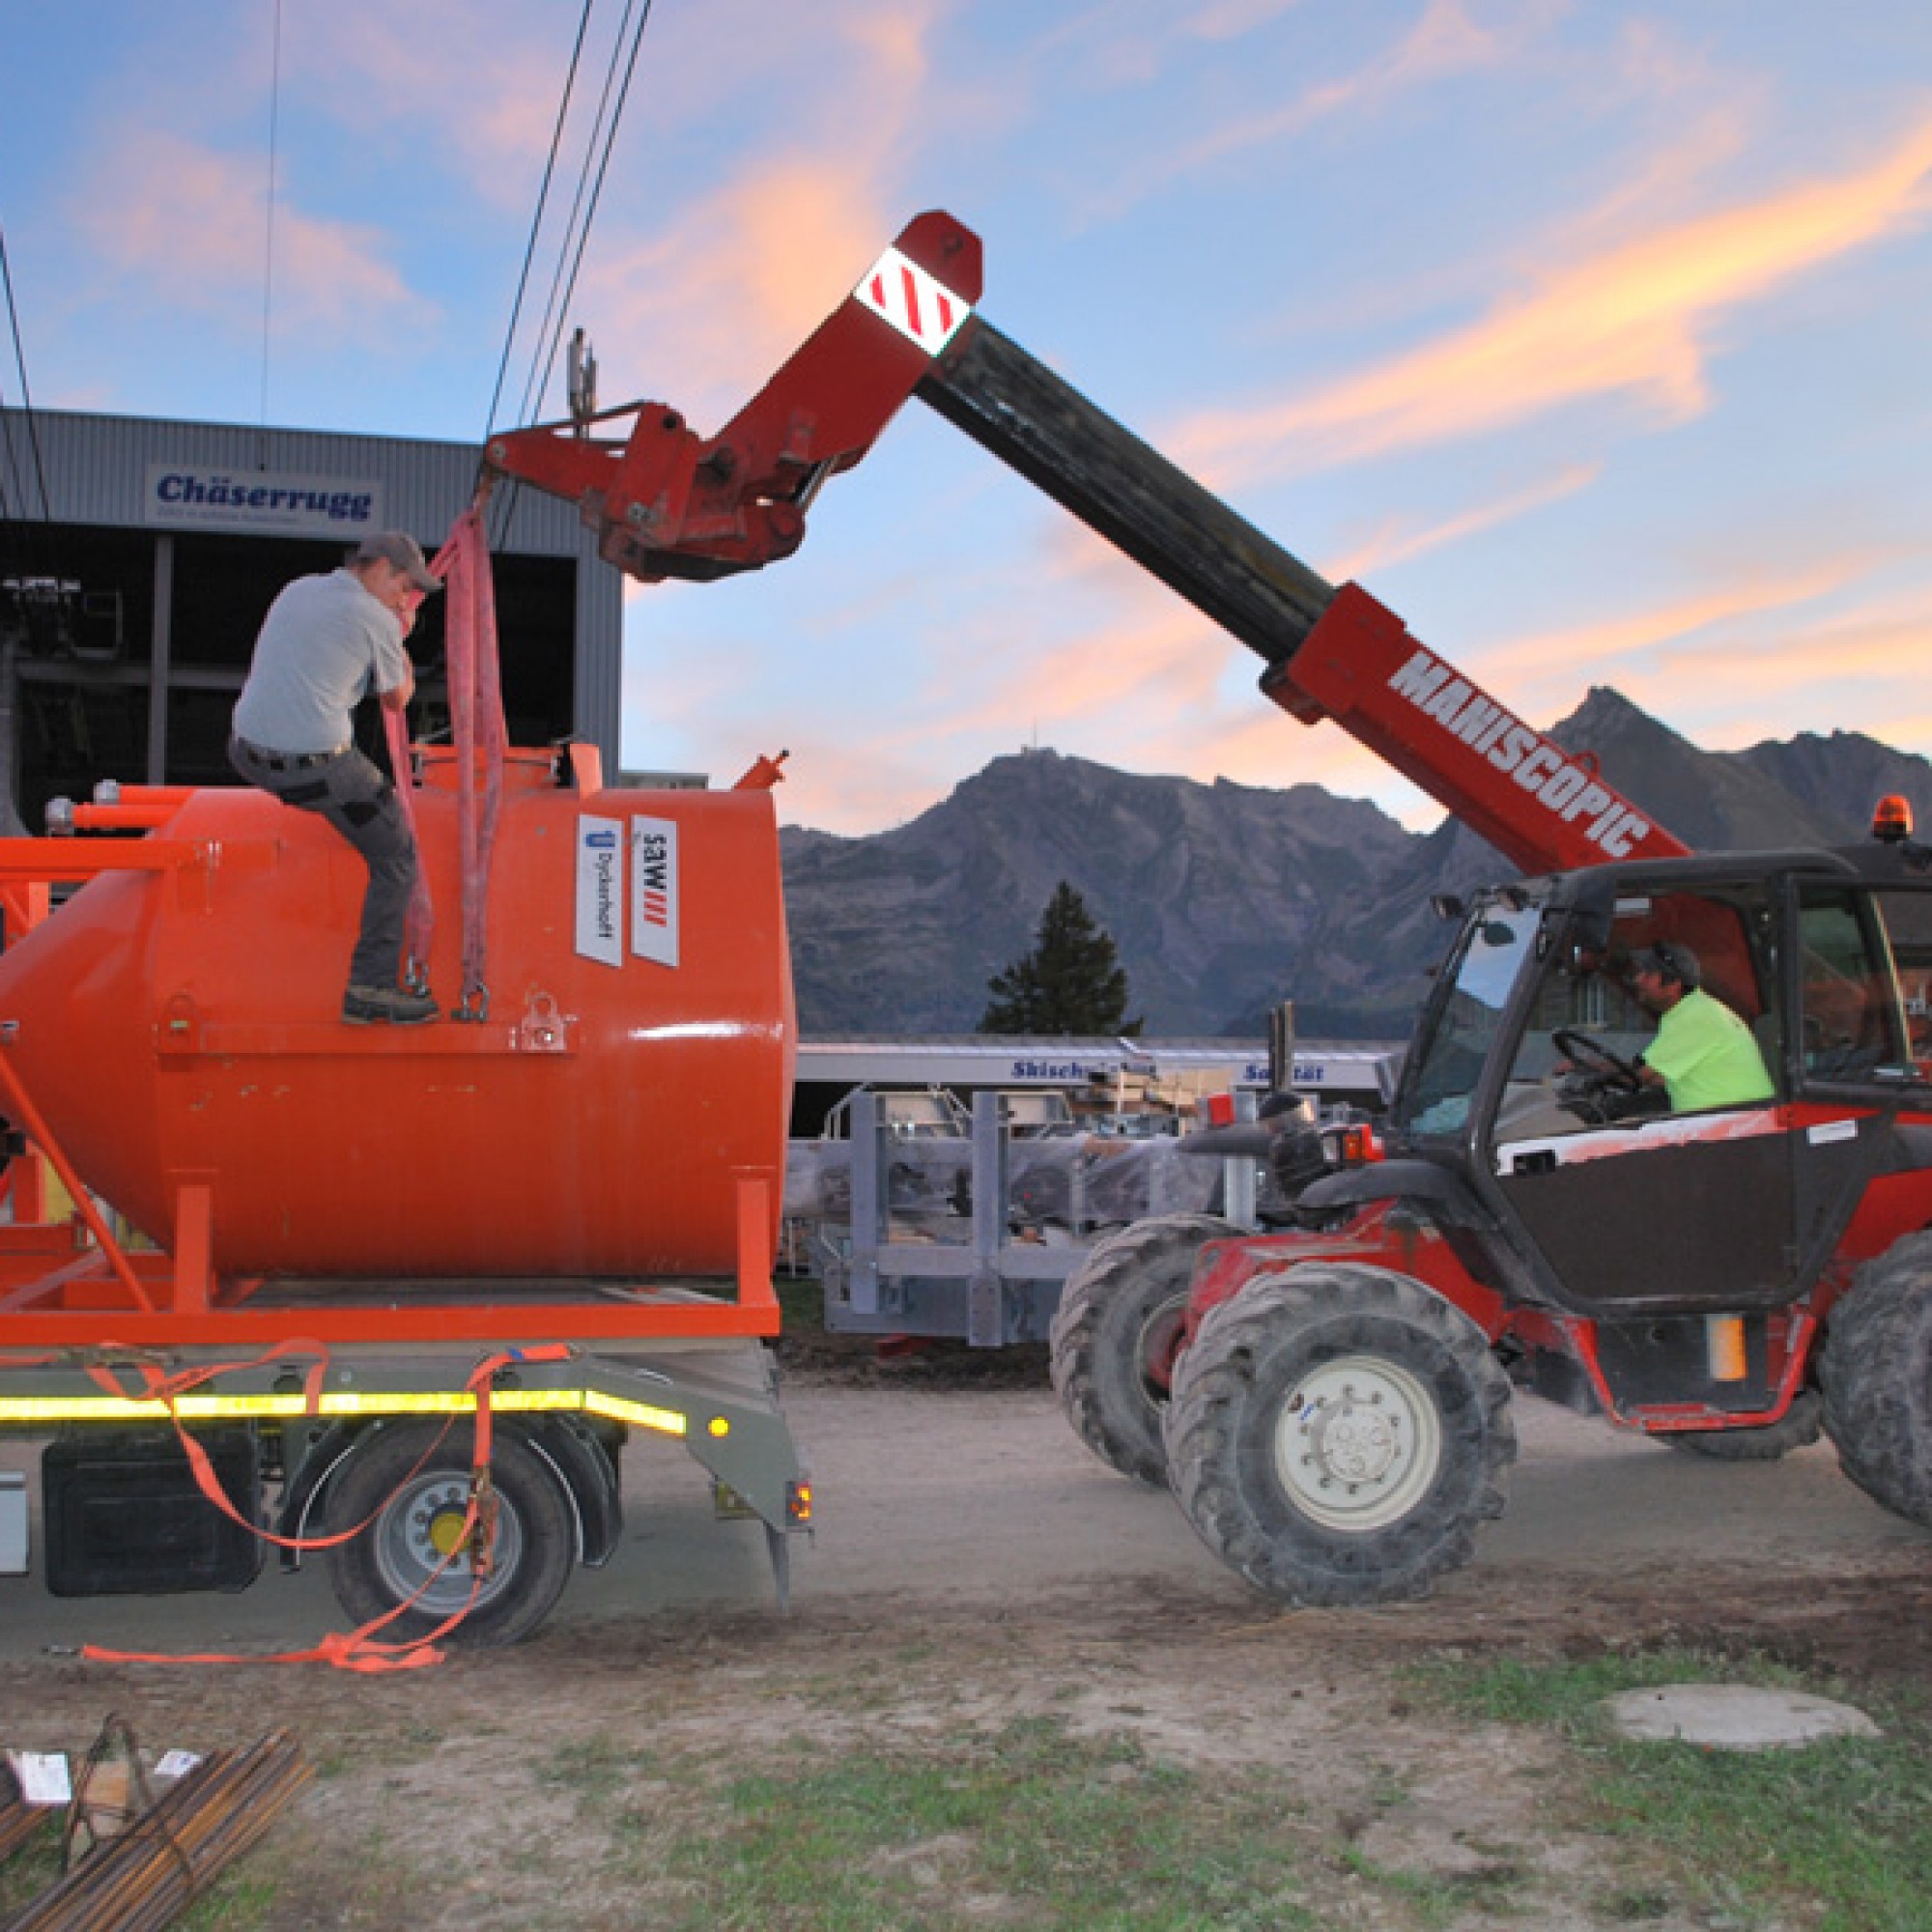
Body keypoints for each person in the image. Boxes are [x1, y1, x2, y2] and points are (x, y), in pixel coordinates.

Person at [230, 531, 442, 1025]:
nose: (403, 600)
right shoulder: (377, 620)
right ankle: (370, 988)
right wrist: (402, 639)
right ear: (382, 568)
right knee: (397, 856)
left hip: (244, 752)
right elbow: (397, 699)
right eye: (404, 588)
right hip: (314, 769)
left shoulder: (298, 587)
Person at [1629, 941, 1775, 1112]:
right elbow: (1662, 1076)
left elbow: (1642, 1075)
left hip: (1734, 1126)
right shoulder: (1695, 1008)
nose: (1638, 979)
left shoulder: (1693, 1016)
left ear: (1673, 984)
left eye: (1648, 974)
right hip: (1731, 1120)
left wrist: (1600, 1077)